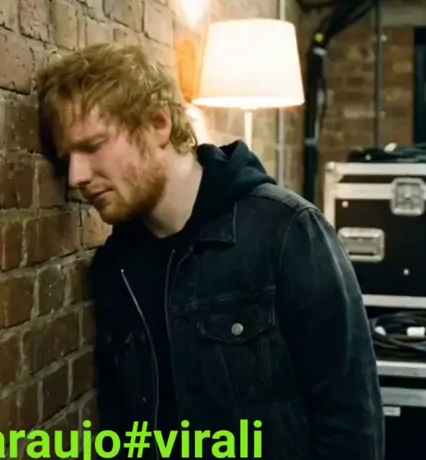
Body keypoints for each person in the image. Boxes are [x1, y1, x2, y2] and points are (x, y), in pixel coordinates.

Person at [36, 43, 384, 460]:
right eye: (67, 159)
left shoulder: (286, 232)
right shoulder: (117, 268)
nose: (76, 177)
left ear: (158, 123)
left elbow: (352, 424)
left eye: (93, 146)